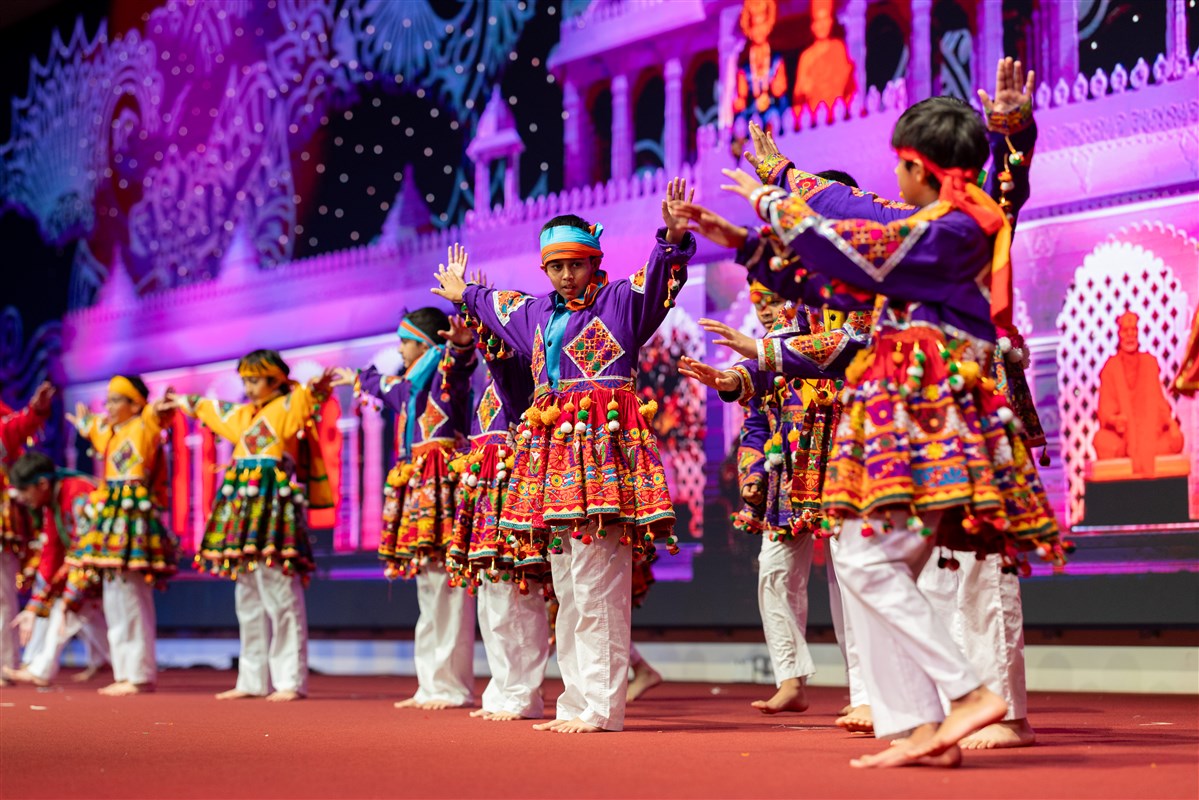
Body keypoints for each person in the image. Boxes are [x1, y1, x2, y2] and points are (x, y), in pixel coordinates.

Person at [718, 94, 1062, 767]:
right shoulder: (922, 226)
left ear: (920, 166)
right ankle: (928, 720)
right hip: (905, 414)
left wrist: (774, 200)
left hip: (946, 409)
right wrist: (758, 230)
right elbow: (851, 251)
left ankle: (986, 702)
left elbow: (866, 238)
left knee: (957, 566)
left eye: (900, 166)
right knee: (884, 562)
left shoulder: (964, 224)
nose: (891, 181)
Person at [432, 178, 696, 733]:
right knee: (569, 583)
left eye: (576, 264)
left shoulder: (620, 303)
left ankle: (601, 706)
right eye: (555, 266)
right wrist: (463, 293)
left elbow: (658, 281)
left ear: (595, 261)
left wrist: (671, 238)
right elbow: (491, 304)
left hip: (601, 454)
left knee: (598, 580)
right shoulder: (534, 315)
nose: (566, 275)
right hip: (551, 459)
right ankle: (579, 702)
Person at [337, 304, 479, 710]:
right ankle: (430, 684)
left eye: (405, 342)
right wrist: (360, 378)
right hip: (420, 485)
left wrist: (461, 346)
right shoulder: (411, 386)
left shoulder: (443, 373)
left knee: (449, 588)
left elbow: (460, 367)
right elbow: (385, 386)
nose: (400, 349)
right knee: (429, 588)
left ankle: (452, 686)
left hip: (443, 485)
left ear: (427, 344)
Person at [171, 351, 335, 702]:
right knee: (247, 594)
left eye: (255, 379)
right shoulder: (244, 415)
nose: (248, 387)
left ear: (276, 380)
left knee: (280, 592)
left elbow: (307, 399)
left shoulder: (288, 405)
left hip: (273, 509)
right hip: (243, 511)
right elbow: (211, 409)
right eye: (244, 380)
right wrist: (182, 402)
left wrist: (316, 390)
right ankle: (252, 679)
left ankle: (289, 680)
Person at [67, 375, 176, 696]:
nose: (109, 407)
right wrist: (86, 423)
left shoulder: (144, 426)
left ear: (136, 404)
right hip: (111, 517)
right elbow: (96, 429)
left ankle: (140, 673)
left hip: (132, 518)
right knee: (113, 594)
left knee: (132, 594)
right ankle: (125, 671)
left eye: (116, 400)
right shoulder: (111, 433)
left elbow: (156, 416)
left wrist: (160, 408)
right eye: (108, 400)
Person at [3, 452, 107, 687]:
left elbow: (84, 546)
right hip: (88, 563)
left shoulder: (78, 492)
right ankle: (112, 662)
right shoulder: (53, 501)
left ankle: (41, 669)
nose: (22, 498)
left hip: (102, 560)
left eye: (24, 490)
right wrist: (35, 604)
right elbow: (51, 554)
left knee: (67, 605)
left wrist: (51, 596)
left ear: (42, 484)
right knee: (82, 612)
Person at [0, 381, 54, 684]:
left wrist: (37, 409)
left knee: (1, 595)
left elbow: (22, 424)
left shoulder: (3, 427)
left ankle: (2, 665)